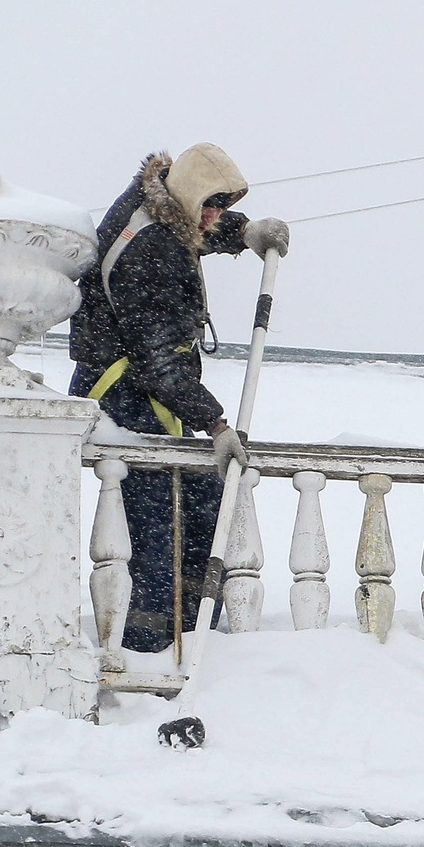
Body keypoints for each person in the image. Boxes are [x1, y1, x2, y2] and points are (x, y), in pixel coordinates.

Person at [68, 144, 290, 653]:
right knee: (156, 526)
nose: (215, 215)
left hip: (150, 391)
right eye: (211, 204)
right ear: (185, 193)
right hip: (125, 398)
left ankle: (193, 632)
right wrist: (215, 423)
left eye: (224, 204)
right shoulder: (151, 248)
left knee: (200, 506)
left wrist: (245, 233)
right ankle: (149, 647)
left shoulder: (162, 202)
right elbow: (159, 361)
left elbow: (198, 223)